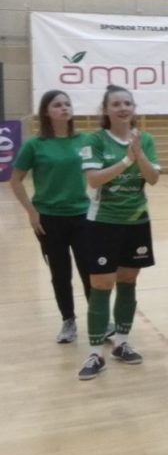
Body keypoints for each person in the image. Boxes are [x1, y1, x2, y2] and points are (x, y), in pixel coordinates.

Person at [77, 85, 161, 380]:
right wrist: (126, 160)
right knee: (101, 284)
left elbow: (153, 178)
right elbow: (94, 179)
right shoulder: (95, 140)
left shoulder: (145, 139)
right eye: (116, 104)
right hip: (103, 222)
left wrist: (139, 155)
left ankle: (122, 343)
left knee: (128, 279)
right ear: (106, 110)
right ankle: (95, 353)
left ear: (133, 108)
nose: (123, 108)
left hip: (136, 221)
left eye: (127, 103)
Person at [10, 90, 91, 343]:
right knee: (60, 272)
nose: (64, 108)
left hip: (82, 215)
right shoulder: (35, 145)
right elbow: (16, 180)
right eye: (57, 105)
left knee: (90, 270)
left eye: (67, 104)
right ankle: (68, 320)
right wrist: (31, 212)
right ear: (47, 112)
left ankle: (99, 318)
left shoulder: (84, 140)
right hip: (49, 219)